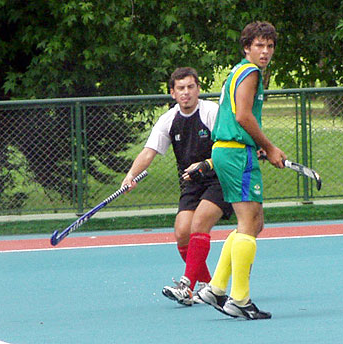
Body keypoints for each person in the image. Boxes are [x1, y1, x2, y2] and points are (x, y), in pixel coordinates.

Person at [197, 21, 286, 320]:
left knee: (254, 221)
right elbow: (244, 115)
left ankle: (217, 288)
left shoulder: (237, 70)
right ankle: (239, 299)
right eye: (259, 46)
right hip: (235, 153)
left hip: (230, 150)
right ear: (247, 47)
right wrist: (270, 147)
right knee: (249, 222)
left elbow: (238, 119)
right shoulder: (251, 73)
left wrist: (255, 145)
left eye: (270, 46)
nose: (265, 52)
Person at [121, 67, 233, 306]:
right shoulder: (169, 119)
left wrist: (206, 164)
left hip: (220, 178)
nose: (186, 93)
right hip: (190, 184)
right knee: (182, 233)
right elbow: (149, 152)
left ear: (198, 89)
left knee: (199, 223)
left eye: (191, 87)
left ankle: (186, 287)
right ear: (172, 93)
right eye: (180, 88)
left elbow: (230, 147)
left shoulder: (212, 112)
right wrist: (131, 175)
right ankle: (209, 287)